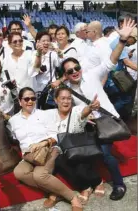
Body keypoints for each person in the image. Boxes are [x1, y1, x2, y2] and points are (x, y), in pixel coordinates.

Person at [54, 18, 136, 200]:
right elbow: (70, 111)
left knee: (106, 155)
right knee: (85, 154)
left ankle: (119, 184)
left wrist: (122, 40)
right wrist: (85, 112)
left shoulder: (91, 74)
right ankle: (93, 183)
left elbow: (111, 61)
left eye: (77, 68)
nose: (75, 71)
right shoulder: (68, 92)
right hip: (89, 126)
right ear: (65, 75)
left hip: (106, 121)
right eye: (69, 71)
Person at [7, 87, 83, 211]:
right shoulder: (13, 121)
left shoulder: (44, 114)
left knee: (40, 175)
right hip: (28, 155)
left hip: (48, 150)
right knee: (19, 173)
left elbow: (55, 135)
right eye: (26, 99)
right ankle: (54, 192)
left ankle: (73, 198)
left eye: (33, 98)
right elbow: (15, 139)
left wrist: (43, 143)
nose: (30, 101)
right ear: (20, 102)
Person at [45, 87, 105, 205]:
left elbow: (84, 112)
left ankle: (97, 181)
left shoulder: (76, 110)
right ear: (56, 100)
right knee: (58, 160)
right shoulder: (50, 114)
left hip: (79, 148)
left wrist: (90, 107)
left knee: (78, 164)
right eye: (62, 98)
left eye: (69, 98)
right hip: (62, 150)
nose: (66, 101)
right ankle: (86, 186)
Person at [32, 32, 60, 108]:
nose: (46, 43)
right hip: (37, 88)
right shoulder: (32, 54)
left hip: (50, 88)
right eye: (43, 41)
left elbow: (59, 65)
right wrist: (37, 70)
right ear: (38, 42)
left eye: (48, 41)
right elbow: (32, 70)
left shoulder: (52, 54)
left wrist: (58, 52)